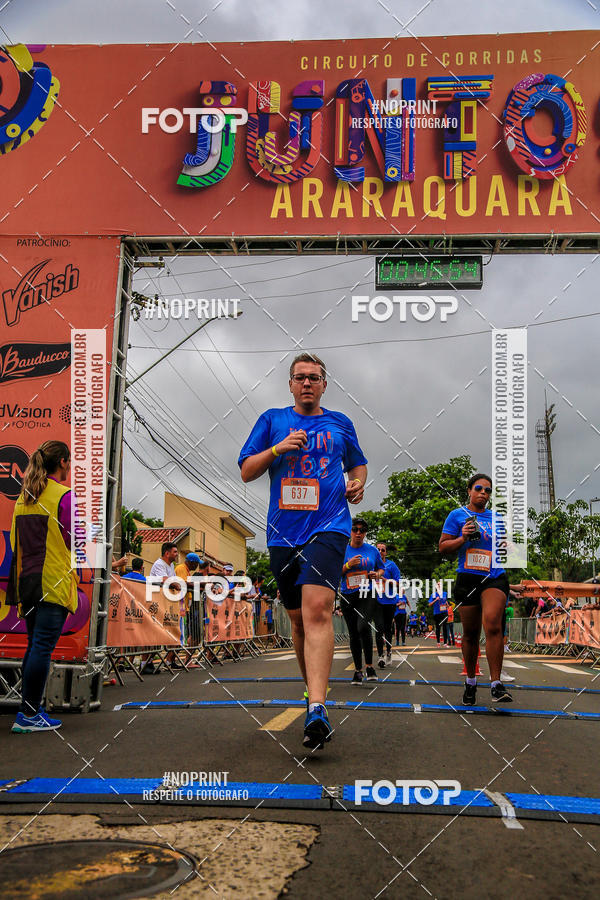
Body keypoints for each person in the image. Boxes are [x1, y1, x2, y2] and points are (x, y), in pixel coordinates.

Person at [239, 352, 367, 750]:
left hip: (329, 527)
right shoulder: (272, 420)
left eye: (314, 377)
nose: (307, 383)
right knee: (297, 620)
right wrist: (278, 449)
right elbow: (246, 471)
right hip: (283, 534)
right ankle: (312, 690)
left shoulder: (340, 423)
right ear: (291, 385)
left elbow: (358, 465)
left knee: (318, 610)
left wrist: (357, 484)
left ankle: (317, 707)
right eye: (300, 377)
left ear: (324, 384)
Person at [8, 441, 78, 732]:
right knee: (42, 647)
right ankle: (28, 714)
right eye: (69, 462)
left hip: (27, 581)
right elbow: (74, 541)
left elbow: (14, 541)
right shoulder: (64, 496)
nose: (70, 467)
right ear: (62, 462)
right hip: (53, 581)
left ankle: (30, 711)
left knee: (34, 645)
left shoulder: (23, 498)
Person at [439, 472, 512, 705]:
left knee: (493, 624)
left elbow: (503, 548)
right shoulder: (457, 515)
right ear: (469, 490)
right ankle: (470, 682)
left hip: (494, 577)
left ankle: (496, 684)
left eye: (488, 490)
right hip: (468, 577)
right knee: (470, 633)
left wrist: (507, 547)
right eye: (479, 488)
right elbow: (443, 547)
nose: (483, 493)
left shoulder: (497, 518)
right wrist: (462, 538)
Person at [340, 518, 384, 684]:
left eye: (362, 530)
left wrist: (377, 574)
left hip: (367, 593)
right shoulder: (342, 549)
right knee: (353, 633)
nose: (358, 533)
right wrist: (348, 565)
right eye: (355, 529)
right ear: (350, 531)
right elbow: (334, 572)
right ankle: (358, 670)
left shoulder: (372, 550)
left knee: (363, 626)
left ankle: (370, 666)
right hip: (347, 595)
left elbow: (381, 568)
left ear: (365, 533)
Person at [148, 541, 182, 670]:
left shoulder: (171, 565)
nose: (177, 554)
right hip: (156, 601)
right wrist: (176, 585)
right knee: (154, 634)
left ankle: (169, 661)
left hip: (167, 603)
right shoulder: (159, 564)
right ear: (167, 553)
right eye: (175, 552)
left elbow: (173, 580)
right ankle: (146, 663)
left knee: (172, 632)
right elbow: (165, 580)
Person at [371, 541, 402, 665]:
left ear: (386, 553)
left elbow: (398, 583)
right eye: (378, 549)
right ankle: (380, 656)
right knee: (379, 628)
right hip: (376, 600)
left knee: (387, 628)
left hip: (389, 601)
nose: (380, 552)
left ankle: (388, 651)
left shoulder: (391, 565)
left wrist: (384, 579)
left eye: (382, 550)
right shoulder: (371, 565)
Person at [175, 552, 201, 646]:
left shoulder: (186, 570)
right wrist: (200, 584)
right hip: (179, 605)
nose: (197, 566)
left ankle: (183, 652)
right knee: (179, 634)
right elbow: (183, 583)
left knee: (183, 633)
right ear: (191, 562)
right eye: (197, 563)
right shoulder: (181, 568)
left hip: (184, 606)